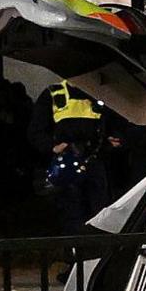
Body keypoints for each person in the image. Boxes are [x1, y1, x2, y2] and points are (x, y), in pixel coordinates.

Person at [33, 80, 115, 224]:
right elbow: (35, 131)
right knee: (72, 211)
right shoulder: (54, 93)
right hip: (67, 162)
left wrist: (113, 140)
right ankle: (75, 244)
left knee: (100, 212)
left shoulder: (100, 93)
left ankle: (98, 244)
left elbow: (116, 123)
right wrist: (53, 147)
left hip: (96, 159)